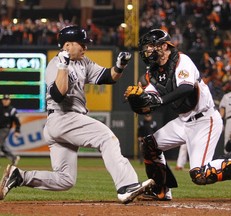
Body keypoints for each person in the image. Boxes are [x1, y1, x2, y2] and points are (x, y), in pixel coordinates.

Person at [0, 25, 154, 204]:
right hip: (63, 117)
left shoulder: (84, 62)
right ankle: (127, 186)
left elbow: (106, 76)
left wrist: (120, 66)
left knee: (65, 179)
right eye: (81, 43)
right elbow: (58, 95)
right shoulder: (55, 64)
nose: (85, 47)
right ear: (67, 46)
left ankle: (19, 176)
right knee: (106, 138)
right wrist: (63, 66)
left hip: (62, 123)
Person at [125, 29, 231, 201]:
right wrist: (139, 99)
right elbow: (151, 100)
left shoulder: (181, 60)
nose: (148, 50)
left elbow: (186, 88)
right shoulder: (152, 74)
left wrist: (158, 101)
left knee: (200, 175)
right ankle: (161, 189)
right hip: (183, 121)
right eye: (147, 46)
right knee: (149, 145)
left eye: (152, 46)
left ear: (164, 46)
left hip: (204, 119)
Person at [0, 94, 21, 165]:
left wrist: (17, 131)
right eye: (4, 100)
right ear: (2, 101)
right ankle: (13, 158)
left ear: (9, 101)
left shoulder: (12, 110)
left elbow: (17, 122)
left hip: (5, 129)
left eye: (7, 100)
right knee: (2, 146)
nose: (5, 101)